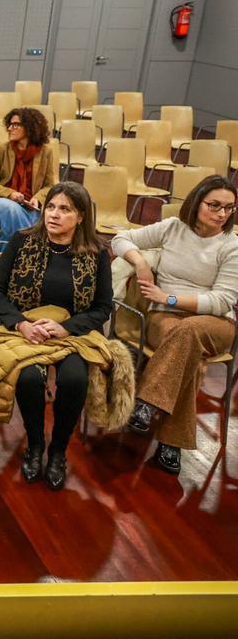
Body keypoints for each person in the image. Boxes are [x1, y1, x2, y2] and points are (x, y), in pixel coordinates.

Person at [0, 181, 111, 490]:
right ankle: (36, 443)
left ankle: (58, 450)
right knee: (28, 378)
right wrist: (21, 324)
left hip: (72, 332)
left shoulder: (97, 253)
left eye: (65, 209)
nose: (54, 215)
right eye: (51, 207)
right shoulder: (22, 240)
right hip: (25, 329)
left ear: (81, 216)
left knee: (74, 380)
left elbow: (103, 307)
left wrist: (68, 327)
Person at [115, 175, 238, 475]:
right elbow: (120, 239)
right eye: (215, 205)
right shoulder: (172, 228)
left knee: (189, 334)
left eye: (230, 208)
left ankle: (146, 401)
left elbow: (223, 300)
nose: (222, 214)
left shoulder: (232, 245)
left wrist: (169, 298)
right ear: (197, 203)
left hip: (214, 325)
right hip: (165, 320)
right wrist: (141, 263)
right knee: (189, 356)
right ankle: (172, 443)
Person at [0, 107, 58, 252]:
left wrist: (37, 198)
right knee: (13, 210)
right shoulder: (0, 150)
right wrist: (10, 193)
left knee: (34, 215)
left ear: (29, 127)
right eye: (9, 124)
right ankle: (23, 255)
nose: (9, 128)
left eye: (15, 125)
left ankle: (3, 258)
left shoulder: (46, 153)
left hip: (28, 204)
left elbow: (49, 186)